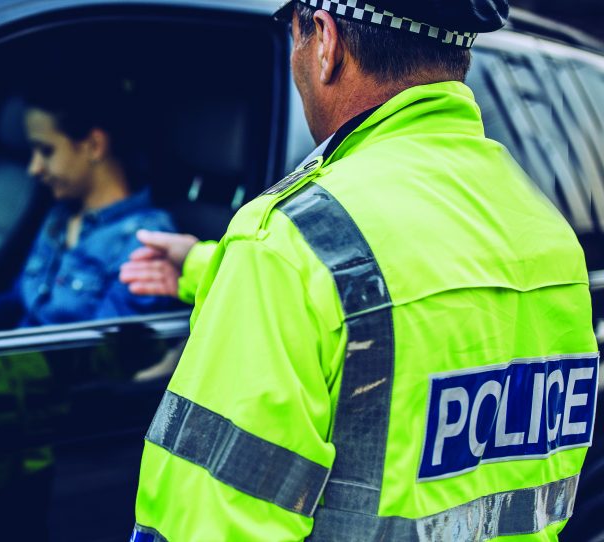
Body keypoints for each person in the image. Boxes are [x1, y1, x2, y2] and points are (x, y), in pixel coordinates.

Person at [130, 1, 597, 540]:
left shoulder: (289, 243)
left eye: (296, 35)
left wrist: (251, 260)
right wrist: (201, 263)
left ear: (325, 42)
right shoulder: (550, 238)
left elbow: (212, 522)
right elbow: (397, 293)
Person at [0, 75, 178, 333]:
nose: (34, 168)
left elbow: (100, 359)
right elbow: (22, 301)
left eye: (46, 151)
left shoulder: (145, 242)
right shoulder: (59, 218)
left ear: (94, 145)